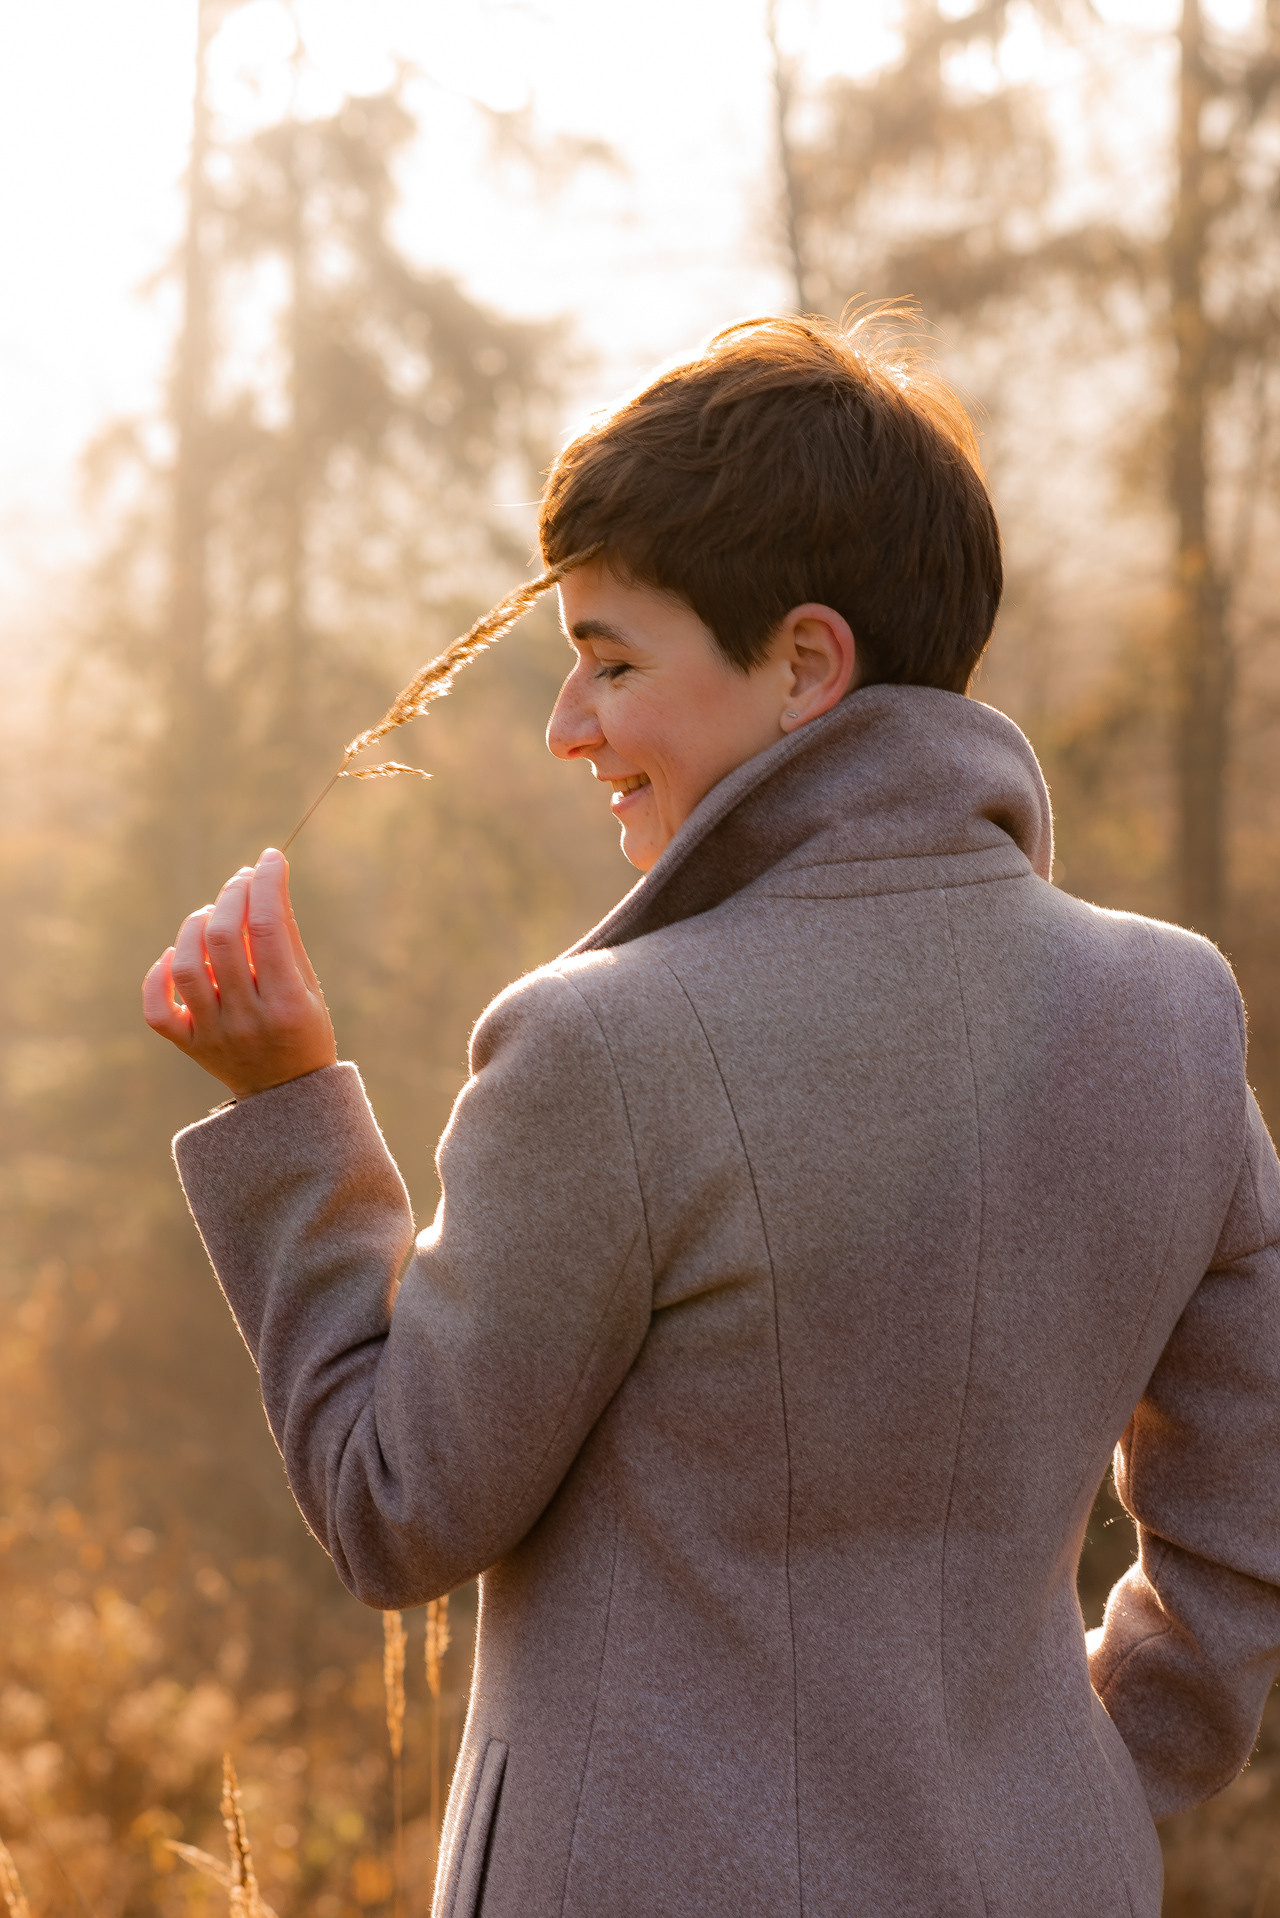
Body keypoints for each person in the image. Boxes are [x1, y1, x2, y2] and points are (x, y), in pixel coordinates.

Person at [143, 314, 1280, 1918]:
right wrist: (1089, 1781)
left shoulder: (601, 1048)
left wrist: (287, 1111)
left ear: (805, 664)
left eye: (614, 662)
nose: (568, 723)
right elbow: (1251, 1505)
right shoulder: (1175, 1014)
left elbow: (396, 1503)